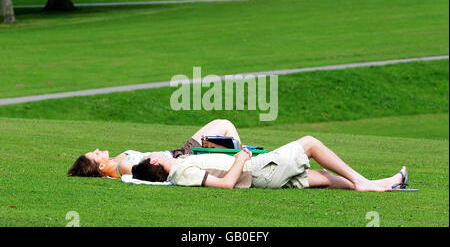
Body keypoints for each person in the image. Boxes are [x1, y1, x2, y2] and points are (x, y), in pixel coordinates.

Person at [132, 135, 411, 192]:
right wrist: (241, 157)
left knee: (322, 176)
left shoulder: (180, 168)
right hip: (258, 170)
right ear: (155, 161)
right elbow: (226, 184)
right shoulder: (180, 173)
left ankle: (381, 183)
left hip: (259, 173)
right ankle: (362, 182)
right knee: (311, 143)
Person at [67, 119, 242, 178]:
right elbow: (149, 172)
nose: (97, 149)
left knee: (222, 134)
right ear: (101, 167)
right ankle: (243, 159)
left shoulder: (118, 160)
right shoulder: (122, 168)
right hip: (181, 157)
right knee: (224, 125)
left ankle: (241, 157)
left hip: (178, 153)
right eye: (95, 155)